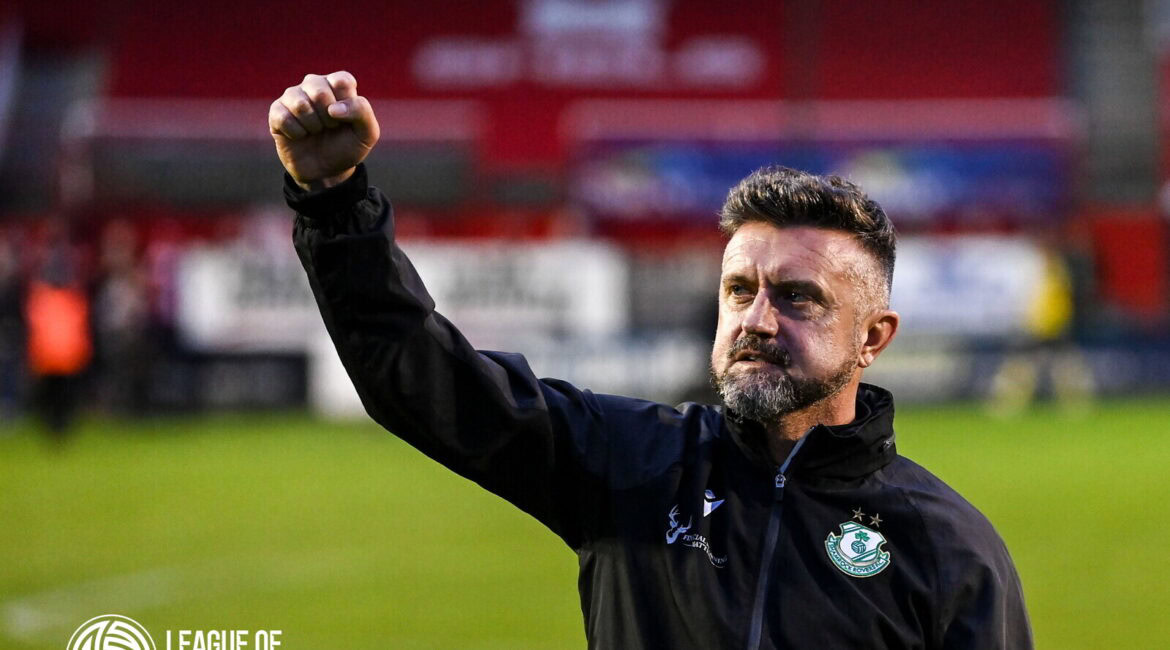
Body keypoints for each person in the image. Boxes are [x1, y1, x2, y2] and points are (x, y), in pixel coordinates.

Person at [272, 71, 1032, 649]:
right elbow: (421, 378)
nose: (756, 320)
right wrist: (335, 201)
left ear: (874, 338)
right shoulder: (630, 463)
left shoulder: (949, 549)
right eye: (739, 291)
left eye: (797, 297)